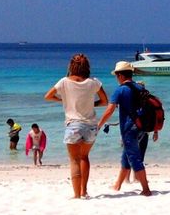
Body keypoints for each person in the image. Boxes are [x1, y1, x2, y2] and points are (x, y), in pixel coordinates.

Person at [45, 53, 108, 199]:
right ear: (87, 66)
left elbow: (48, 96)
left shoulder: (64, 82)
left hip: (73, 125)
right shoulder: (94, 82)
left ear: (71, 66)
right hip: (91, 125)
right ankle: (84, 191)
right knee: (84, 157)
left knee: (74, 160)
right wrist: (92, 104)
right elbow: (105, 101)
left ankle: (76, 194)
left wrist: (65, 101)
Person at [96, 61, 152, 196]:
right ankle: (117, 185)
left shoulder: (120, 90)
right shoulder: (139, 87)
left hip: (129, 128)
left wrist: (99, 125)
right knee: (126, 156)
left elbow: (109, 110)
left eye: (116, 75)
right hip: (142, 127)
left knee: (133, 158)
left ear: (120, 75)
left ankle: (146, 189)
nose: (116, 78)